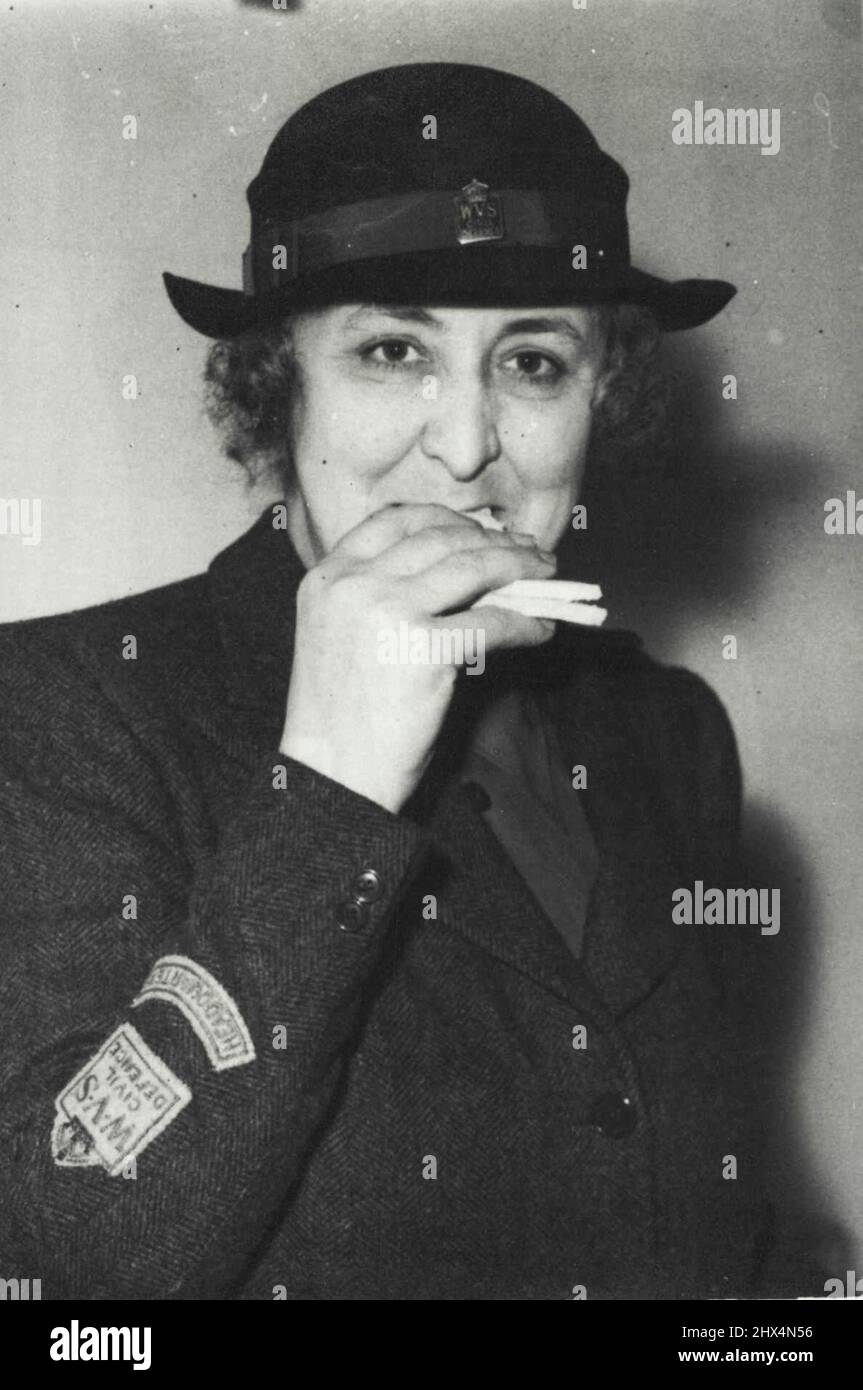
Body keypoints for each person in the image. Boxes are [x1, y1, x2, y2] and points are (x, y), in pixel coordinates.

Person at [0, 62, 805, 1300]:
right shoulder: (67, 708)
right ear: (281, 384)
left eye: (531, 362)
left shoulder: (665, 731)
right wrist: (328, 788)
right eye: (389, 349)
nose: (469, 443)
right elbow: (76, 1284)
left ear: (600, 392)